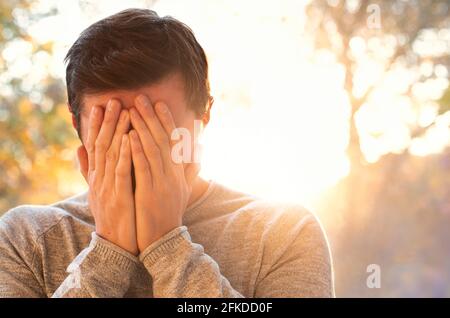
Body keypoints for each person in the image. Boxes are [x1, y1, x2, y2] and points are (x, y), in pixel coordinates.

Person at [0, 8, 334, 298]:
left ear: (203, 117)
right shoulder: (26, 238)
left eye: (156, 126)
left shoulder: (283, 233)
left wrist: (168, 247)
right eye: (114, 127)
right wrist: (107, 254)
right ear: (78, 128)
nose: (137, 148)